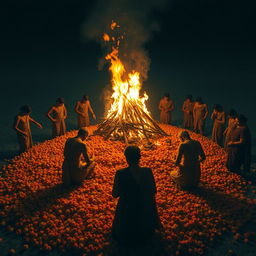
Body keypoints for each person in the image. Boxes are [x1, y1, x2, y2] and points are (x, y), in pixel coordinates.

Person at [112, 146, 161, 246]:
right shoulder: (148, 171)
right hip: (145, 218)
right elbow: (154, 191)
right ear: (140, 157)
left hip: (127, 218)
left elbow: (115, 194)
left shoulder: (120, 173)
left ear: (126, 157)